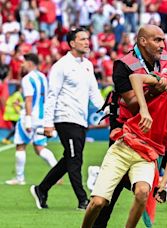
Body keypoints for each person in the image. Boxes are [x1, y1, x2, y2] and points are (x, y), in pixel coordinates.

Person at [82, 62, 167, 228]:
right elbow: (135, 77)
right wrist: (143, 108)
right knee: (98, 203)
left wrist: (164, 182)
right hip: (126, 144)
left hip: (149, 155)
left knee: (142, 193)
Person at [92, 25, 167, 228]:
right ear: (142, 41)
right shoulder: (123, 65)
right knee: (117, 184)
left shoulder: (166, 59)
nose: (162, 45)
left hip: (155, 129)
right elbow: (132, 103)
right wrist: (155, 90)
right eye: (157, 40)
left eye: (163, 40)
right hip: (126, 129)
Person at [30, 27, 104, 210]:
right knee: (75, 158)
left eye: (88, 39)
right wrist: (48, 123)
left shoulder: (87, 65)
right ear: (72, 43)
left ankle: (42, 189)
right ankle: (83, 200)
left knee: (70, 158)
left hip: (80, 119)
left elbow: (94, 93)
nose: (87, 42)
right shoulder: (61, 66)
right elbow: (52, 95)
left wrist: (107, 109)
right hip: (64, 117)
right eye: (82, 39)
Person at [5, 53, 58, 185]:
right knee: (40, 147)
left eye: (23, 62)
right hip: (42, 117)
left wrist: (27, 119)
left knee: (20, 146)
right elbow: (41, 99)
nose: (22, 65)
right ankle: (57, 172)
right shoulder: (43, 77)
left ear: (29, 63)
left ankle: (19, 179)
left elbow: (29, 100)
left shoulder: (27, 78)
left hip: (29, 117)